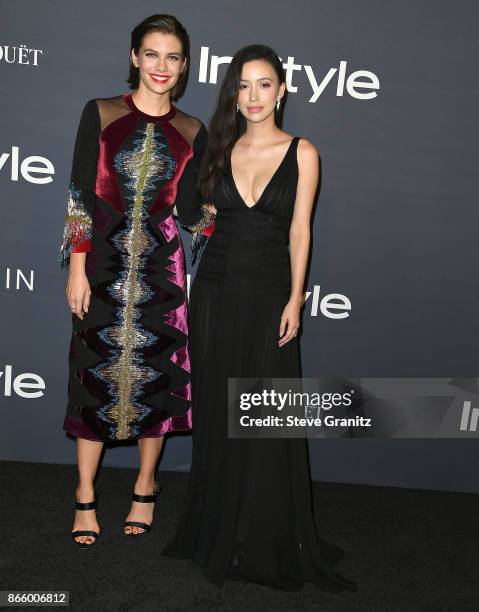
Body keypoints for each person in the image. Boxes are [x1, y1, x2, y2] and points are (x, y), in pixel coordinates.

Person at [163, 44, 357, 592]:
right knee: (222, 413)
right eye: (242, 86)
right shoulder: (215, 151)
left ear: (282, 90)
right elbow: (188, 215)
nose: (252, 97)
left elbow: (301, 230)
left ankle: (267, 532)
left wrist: (296, 298)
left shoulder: (303, 152)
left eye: (263, 84)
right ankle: (218, 527)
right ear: (233, 92)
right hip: (217, 295)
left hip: (272, 294)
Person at [59, 14, 214, 547]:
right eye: (151, 54)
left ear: (185, 65)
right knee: (90, 378)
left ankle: (145, 489)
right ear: (134, 58)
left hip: (162, 272)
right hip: (101, 266)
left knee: (158, 379)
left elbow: (194, 210)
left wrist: (240, 218)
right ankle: (84, 496)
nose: (161, 67)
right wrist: (77, 267)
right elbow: (80, 194)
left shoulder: (194, 130)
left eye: (172, 57)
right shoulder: (100, 113)